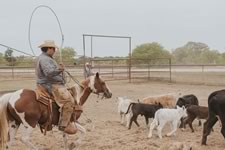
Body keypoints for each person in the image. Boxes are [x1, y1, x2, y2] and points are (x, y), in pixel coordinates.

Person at [35, 40, 77, 134]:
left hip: (49, 83)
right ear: (49, 48)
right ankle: (63, 125)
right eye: (53, 48)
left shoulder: (45, 58)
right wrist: (59, 69)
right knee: (69, 101)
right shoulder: (45, 59)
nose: (55, 50)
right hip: (50, 85)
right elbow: (49, 73)